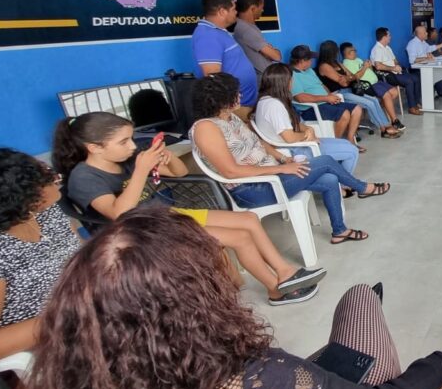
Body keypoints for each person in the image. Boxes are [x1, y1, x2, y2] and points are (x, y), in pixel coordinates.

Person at [26, 207, 442, 389]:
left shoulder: (69, 384)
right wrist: (439, 364)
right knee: (360, 299)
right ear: (196, 296)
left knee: (350, 328)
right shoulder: (256, 377)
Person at [54, 111, 326, 306]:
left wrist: (168, 159)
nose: (132, 146)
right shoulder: (84, 177)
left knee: (248, 219)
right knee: (239, 237)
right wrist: (141, 170)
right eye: (123, 142)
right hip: (141, 233)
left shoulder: (126, 159)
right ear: (94, 148)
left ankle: (284, 272)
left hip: (166, 215)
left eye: (131, 138)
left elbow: (180, 173)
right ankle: (275, 290)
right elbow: (118, 214)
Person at [190, 72, 388, 245]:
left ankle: (340, 231)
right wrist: (280, 169)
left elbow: (260, 143)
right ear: (222, 99)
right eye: (235, 92)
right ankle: (362, 188)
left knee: (329, 179)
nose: (240, 95)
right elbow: (230, 172)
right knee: (326, 161)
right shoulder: (205, 128)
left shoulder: (231, 118)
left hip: (273, 177)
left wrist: (284, 160)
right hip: (253, 189)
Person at [0, 149, 80, 364]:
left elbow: (77, 252)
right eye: (46, 177)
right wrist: (67, 315)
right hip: (58, 339)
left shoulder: (47, 212)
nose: (56, 178)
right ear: (25, 199)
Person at [254, 63, 365, 173]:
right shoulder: (274, 106)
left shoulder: (266, 100)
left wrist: (308, 129)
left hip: (298, 143)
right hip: (295, 149)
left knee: (346, 144)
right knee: (352, 151)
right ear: (284, 82)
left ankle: (340, 178)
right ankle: (343, 182)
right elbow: (290, 138)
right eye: (291, 79)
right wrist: (307, 135)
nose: (292, 82)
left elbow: (292, 124)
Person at [192, 0, 259, 118]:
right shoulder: (207, 35)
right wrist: (227, 111)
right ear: (222, 11)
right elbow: (212, 77)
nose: (236, 12)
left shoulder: (218, 32)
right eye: (233, 9)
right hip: (233, 110)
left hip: (243, 105)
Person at [314, 40, 402, 138]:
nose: (337, 53)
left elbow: (352, 76)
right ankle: (384, 129)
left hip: (350, 89)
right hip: (339, 93)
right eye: (335, 50)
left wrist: (348, 78)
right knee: (369, 103)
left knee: (374, 100)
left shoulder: (337, 63)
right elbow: (342, 81)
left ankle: (386, 125)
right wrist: (349, 77)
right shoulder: (324, 66)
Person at [289, 44, 364, 149]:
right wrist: (326, 98)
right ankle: (336, 146)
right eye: (310, 59)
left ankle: (350, 140)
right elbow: (300, 98)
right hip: (310, 109)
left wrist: (330, 96)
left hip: (325, 102)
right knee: (344, 114)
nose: (311, 61)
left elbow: (322, 85)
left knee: (357, 109)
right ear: (302, 61)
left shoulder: (309, 70)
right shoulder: (292, 75)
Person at [232, 0, 281, 76]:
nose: (262, 10)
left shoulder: (248, 26)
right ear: (253, 9)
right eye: (261, 8)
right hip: (261, 78)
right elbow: (277, 57)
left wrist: (269, 51)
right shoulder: (246, 30)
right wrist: (274, 50)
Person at [406, 24, 442, 97]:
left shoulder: (423, 42)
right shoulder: (412, 44)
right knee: (438, 72)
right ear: (420, 34)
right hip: (417, 69)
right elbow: (412, 60)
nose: (427, 33)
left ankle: (440, 90)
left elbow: (430, 48)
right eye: (425, 32)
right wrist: (426, 58)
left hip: (426, 65)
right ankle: (440, 91)